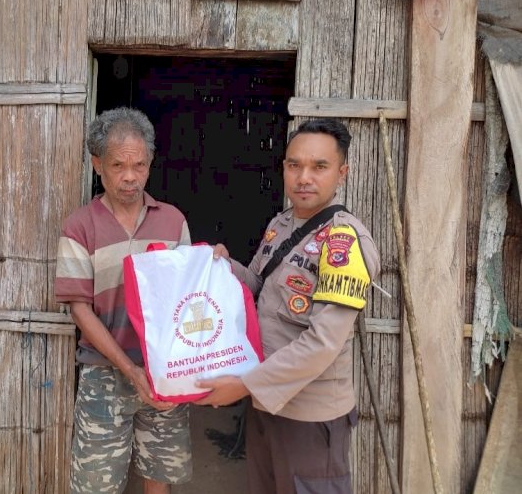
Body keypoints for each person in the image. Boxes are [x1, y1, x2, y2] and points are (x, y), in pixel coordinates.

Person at [195, 118, 381, 493]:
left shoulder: (343, 242)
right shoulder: (281, 225)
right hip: (266, 404)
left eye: (319, 166)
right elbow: (260, 291)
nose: (304, 177)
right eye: (294, 165)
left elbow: (322, 343)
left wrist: (244, 385)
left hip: (309, 417)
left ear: (341, 173)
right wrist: (222, 266)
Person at [55, 107, 192, 494]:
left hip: (164, 370)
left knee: (159, 473)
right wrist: (130, 371)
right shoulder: (80, 225)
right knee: (96, 483)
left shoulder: (172, 221)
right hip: (104, 373)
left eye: (140, 165)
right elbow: (79, 307)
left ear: (150, 164)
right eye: (118, 165)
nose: (130, 176)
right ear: (98, 164)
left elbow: (188, 297)